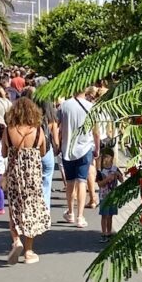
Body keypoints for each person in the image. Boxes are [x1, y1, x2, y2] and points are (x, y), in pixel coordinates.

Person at [3, 97, 51, 264]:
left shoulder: (8, 130)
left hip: (15, 173)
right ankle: (29, 252)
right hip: (32, 176)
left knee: (14, 209)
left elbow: (3, 152)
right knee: (31, 210)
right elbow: (43, 151)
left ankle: (16, 240)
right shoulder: (37, 130)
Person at [57, 89, 100, 228]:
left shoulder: (63, 106)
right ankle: (80, 216)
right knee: (82, 182)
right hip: (85, 148)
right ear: (86, 90)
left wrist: (58, 144)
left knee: (69, 182)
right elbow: (96, 131)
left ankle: (70, 212)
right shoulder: (91, 107)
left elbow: (59, 128)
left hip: (67, 148)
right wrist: (97, 148)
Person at [97, 150, 123, 241]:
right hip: (104, 196)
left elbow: (122, 180)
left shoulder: (115, 169)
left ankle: (109, 232)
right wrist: (107, 179)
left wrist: (118, 175)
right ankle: (103, 233)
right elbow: (100, 184)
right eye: (104, 157)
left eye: (108, 157)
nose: (106, 160)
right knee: (104, 215)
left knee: (110, 215)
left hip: (113, 196)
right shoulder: (100, 171)